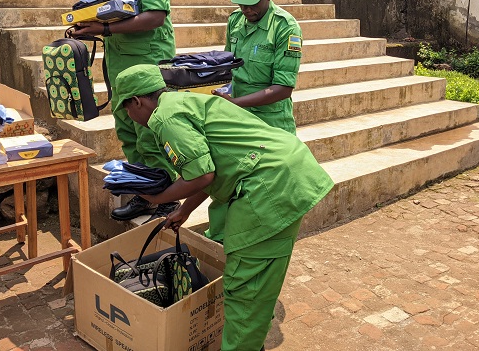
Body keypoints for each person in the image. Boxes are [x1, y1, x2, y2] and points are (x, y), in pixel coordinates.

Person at [114, 64, 333, 351]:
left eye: (126, 110)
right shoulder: (185, 100)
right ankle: (252, 338)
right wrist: (185, 211)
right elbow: (209, 167)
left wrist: (158, 198)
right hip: (284, 172)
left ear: (137, 101)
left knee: (244, 288)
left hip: (268, 185)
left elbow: (202, 175)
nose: (130, 117)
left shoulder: (166, 118)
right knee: (260, 279)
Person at [72, 0, 179, 222]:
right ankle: (144, 194)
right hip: (119, 60)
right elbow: (93, 2)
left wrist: (103, 30)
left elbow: (156, 16)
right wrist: (82, 22)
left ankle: (166, 197)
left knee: (153, 131)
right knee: (128, 130)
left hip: (148, 60)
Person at [212, 0, 302, 135]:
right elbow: (228, 66)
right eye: (241, 2)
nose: (246, 9)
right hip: (238, 118)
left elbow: (283, 88)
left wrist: (236, 103)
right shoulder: (235, 20)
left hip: (271, 124)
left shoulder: (286, 28)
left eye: (252, 2)